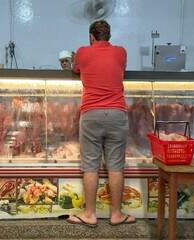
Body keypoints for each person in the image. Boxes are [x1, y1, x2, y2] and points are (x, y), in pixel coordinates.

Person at [67, 20, 135, 227]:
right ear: (109, 36)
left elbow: (76, 68)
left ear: (91, 37)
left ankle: (89, 214)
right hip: (117, 113)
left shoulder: (82, 52)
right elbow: (119, 68)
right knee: (115, 166)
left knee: (90, 166)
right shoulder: (121, 52)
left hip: (91, 114)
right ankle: (116, 214)